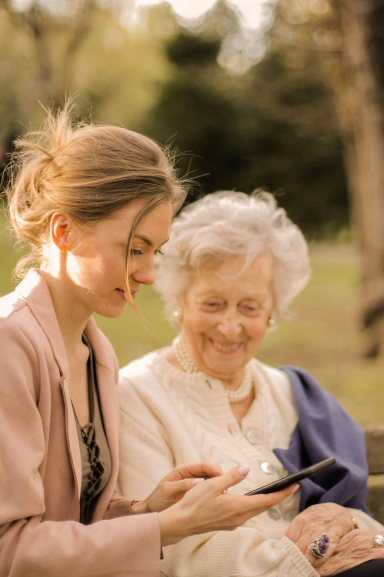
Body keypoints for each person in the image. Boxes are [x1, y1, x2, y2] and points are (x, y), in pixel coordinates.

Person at [0, 108, 295, 577]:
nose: (149, 274)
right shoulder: (9, 346)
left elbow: (72, 521)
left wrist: (146, 510)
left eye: (155, 251)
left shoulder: (96, 352)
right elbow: (10, 550)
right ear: (64, 231)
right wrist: (163, 529)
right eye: (134, 248)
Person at [118, 191, 384, 577]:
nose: (230, 327)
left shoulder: (293, 392)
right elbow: (174, 550)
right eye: (212, 304)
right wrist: (300, 562)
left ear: (272, 311)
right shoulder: (136, 396)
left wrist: (344, 519)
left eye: (250, 307)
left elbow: (365, 526)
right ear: (180, 301)